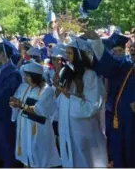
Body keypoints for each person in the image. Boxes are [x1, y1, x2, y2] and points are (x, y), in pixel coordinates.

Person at [54, 36, 107, 167]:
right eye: (66, 53)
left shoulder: (90, 75)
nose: (67, 56)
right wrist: (58, 91)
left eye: (70, 53)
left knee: (85, 159)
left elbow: (92, 106)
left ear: (80, 55)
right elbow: (60, 101)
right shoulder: (65, 72)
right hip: (66, 124)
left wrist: (67, 95)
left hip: (83, 127)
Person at [85, 31, 134, 168]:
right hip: (114, 114)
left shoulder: (126, 66)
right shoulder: (118, 66)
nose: (116, 54)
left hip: (127, 117)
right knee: (116, 148)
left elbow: (110, 65)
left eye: (119, 51)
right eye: (114, 51)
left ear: (125, 50)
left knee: (128, 150)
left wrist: (96, 41)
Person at [9, 61, 61, 168]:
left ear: (34, 76)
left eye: (27, 75)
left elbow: (40, 109)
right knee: (26, 154)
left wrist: (21, 105)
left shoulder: (47, 90)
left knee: (39, 155)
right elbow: (16, 99)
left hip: (38, 128)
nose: (25, 77)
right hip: (24, 126)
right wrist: (13, 103)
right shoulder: (23, 87)